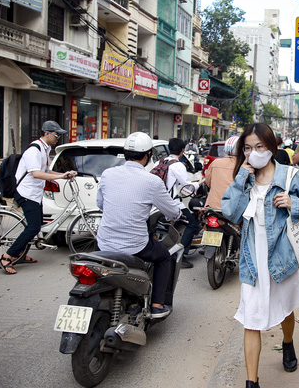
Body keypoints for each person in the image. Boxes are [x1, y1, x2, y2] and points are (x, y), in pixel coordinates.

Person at [221, 123, 299, 388]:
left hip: (283, 258)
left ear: (271, 148)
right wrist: (242, 176)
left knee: (285, 309)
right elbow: (230, 213)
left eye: (259, 147)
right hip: (253, 261)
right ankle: (251, 382)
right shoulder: (244, 179)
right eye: (248, 148)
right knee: (250, 319)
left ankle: (287, 343)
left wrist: (295, 203)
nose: (253, 153)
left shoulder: (290, 176)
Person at [96, 132, 182, 318]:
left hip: (104, 243)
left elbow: (100, 204)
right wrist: (177, 213)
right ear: (148, 155)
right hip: (134, 245)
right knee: (164, 257)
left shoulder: (108, 174)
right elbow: (172, 212)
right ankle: (157, 304)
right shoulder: (152, 181)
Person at [0, 121, 77, 274]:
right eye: (56, 134)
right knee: (33, 227)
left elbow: (46, 170)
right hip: (26, 194)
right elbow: (36, 173)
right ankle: (7, 256)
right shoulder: (34, 149)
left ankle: (21, 253)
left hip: (34, 194)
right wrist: (61, 176)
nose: (58, 138)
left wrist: (64, 174)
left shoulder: (44, 149)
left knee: (37, 224)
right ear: (47, 133)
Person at [162, 138, 205, 268]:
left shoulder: (162, 161)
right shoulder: (177, 165)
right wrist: (202, 181)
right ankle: (181, 255)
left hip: (158, 203)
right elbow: (188, 187)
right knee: (192, 224)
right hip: (172, 203)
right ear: (182, 150)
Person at [204, 136, 239, 209]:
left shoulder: (215, 163)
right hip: (234, 210)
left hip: (213, 206)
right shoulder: (244, 166)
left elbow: (208, 182)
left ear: (225, 149)